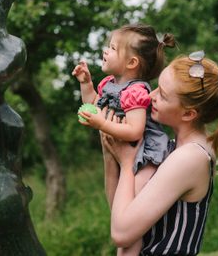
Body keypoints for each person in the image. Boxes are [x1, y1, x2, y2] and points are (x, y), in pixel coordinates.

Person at [102, 51, 218, 256]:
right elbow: (120, 216)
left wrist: (127, 165)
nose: (149, 96)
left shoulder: (190, 158)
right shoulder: (171, 149)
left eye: (161, 94)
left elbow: (121, 234)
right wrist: (111, 155)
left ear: (189, 113)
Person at [72, 23, 175, 255]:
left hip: (144, 157)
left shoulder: (136, 91)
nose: (105, 51)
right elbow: (95, 105)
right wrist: (86, 84)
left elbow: (135, 131)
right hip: (120, 156)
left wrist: (102, 124)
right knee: (117, 212)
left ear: (131, 63)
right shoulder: (109, 85)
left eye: (113, 48)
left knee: (130, 220)